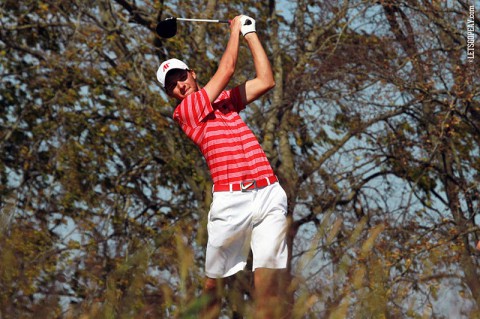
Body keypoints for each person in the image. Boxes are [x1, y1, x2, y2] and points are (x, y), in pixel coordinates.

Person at [157, 15, 289, 318]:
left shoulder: (225, 102)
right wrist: (234, 31)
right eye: (172, 85)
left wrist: (250, 32)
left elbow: (266, 81)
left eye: (181, 76)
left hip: (268, 191)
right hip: (232, 201)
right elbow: (227, 69)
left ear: (192, 73)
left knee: (267, 278)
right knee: (215, 283)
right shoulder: (186, 112)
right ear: (170, 94)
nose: (179, 85)